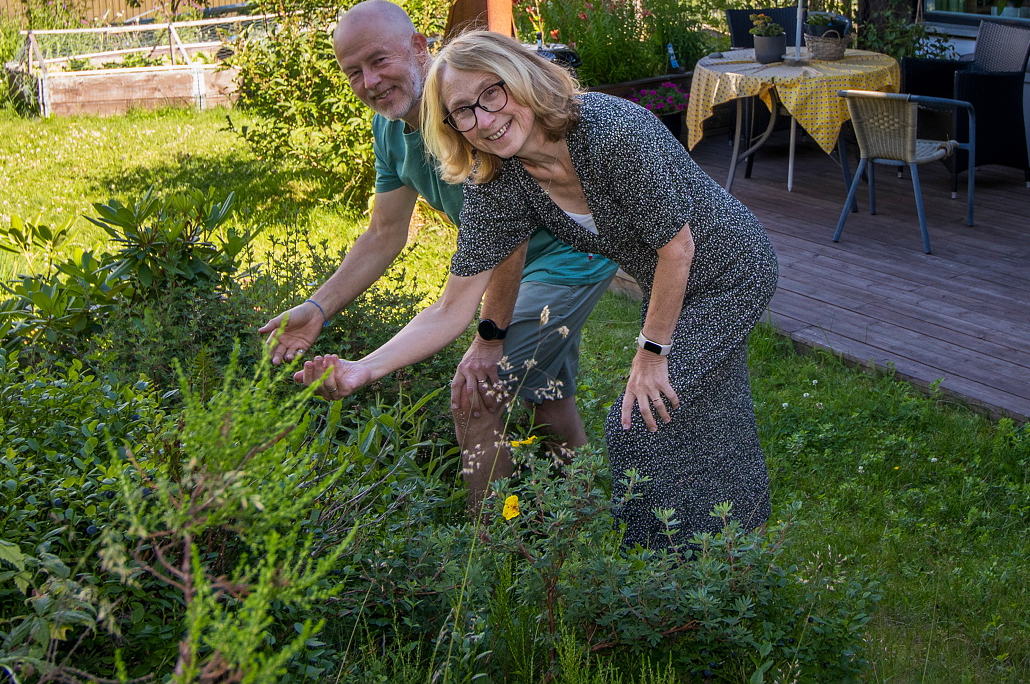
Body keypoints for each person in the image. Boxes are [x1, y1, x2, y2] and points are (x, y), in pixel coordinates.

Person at [294, 30, 778, 545]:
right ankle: (738, 539)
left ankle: (658, 567)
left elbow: (677, 248)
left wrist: (651, 352)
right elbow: (452, 308)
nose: (484, 119)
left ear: (524, 79)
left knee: (638, 420)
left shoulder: (610, 130)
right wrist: (363, 368)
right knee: (704, 405)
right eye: (463, 112)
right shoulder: (501, 180)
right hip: (670, 285)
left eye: (493, 93)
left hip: (731, 272)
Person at [259, 1, 618, 508]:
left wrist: (490, 339)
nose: (370, 81)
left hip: (566, 256)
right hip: (510, 259)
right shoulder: (390, 131)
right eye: (353, 72)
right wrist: (318, 309)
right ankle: (586, 521)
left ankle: (491, 547)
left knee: (475, 396)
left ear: (419, 46)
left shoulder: (467, 112)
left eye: (378, 60)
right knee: (547, 397)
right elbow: (384, 232)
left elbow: (507, 243)